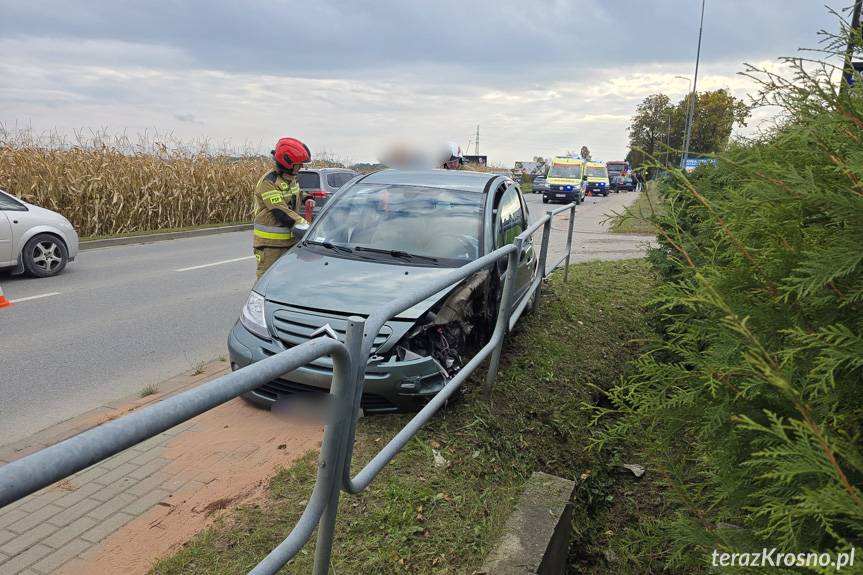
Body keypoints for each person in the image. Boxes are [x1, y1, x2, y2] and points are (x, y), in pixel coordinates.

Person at [252, 137, 311, 278]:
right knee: (266, 282)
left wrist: (306, 197)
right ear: (288, 163)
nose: (301, 167)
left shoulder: (290, 178)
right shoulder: (269, 182)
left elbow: (294, 193)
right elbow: (280, 210)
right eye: (299, 164)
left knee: (286, 280)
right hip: (270, 245)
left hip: (289, 243)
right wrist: (306, 226)